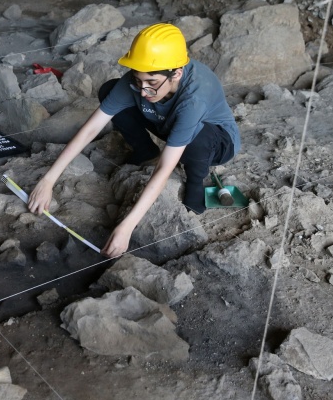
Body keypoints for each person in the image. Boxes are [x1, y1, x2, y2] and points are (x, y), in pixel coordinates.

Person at [27, 23, 240, 258]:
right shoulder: (141, 81)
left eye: (152, 83)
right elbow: (92, 127)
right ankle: (145, 151)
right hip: (168, 125)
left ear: (176, 73)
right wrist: (48, 180)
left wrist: (127, 226)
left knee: (196, 138)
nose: (143, 90)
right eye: (139, 81)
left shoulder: (195, 96)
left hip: (217, 142)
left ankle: (194, 187)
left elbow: (165, 167)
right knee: (110, 90)